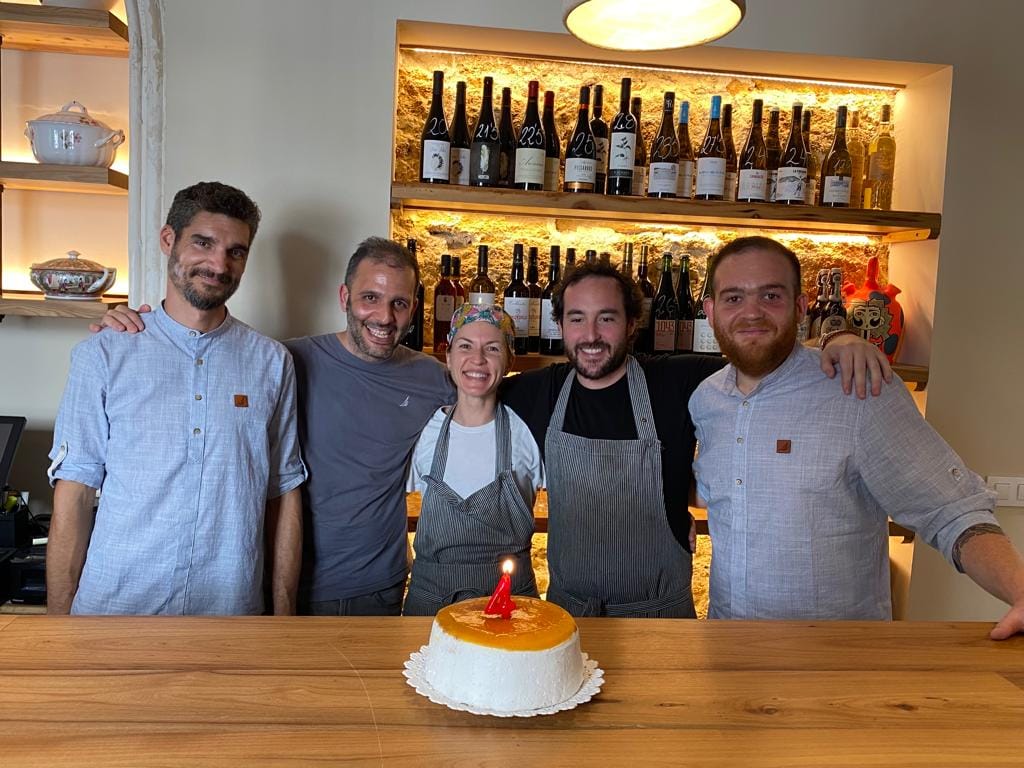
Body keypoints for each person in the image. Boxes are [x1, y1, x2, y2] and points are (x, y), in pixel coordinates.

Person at [500, 260, 890, 618]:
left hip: (662, 621)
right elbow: (472, 382)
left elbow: (763, 355)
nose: (590, 335)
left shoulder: (680, 380)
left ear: (632, 323)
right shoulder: (537, 392)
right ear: (560, 325)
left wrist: (837, 340)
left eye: (607, 318)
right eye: (577, 319)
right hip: (570, 616)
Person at [92, 236, 453, 617]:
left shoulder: (431, 379)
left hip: (376, 586)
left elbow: (489, 389)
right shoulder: (282, 359)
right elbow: (193, 371)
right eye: (370, 298)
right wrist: (131, 325)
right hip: (269, 580)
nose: (384, 317)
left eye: (399, 303)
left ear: (414, 307)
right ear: (345, 297)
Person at [689, 236, 1024, 639]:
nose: (752, 312)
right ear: (710, 311)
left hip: (839, 655)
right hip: (729, 646)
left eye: (771, 295)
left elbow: (951, 509)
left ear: (799, 308)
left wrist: (1019, 593)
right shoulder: (705, 400)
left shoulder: (858, 389)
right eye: (733, 298)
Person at [46, 181, 306, 616]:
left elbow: (284, 490)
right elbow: (73, 492)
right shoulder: (105, 353)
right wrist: (57, 619)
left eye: (235, 251)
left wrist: (283, 615)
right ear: (169, 240)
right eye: (203, 243)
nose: (218, 263)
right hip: (114, 611)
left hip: (230, 612)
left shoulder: (272, 362)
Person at [403, 304, 543, 615]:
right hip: (430, 605)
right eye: (465, 346)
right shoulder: (424, 431)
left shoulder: (527, 432)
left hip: (513, 605)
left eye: (492, 348)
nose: (477, 359)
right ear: (449, 357)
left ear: (509, 361)